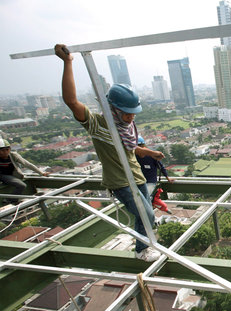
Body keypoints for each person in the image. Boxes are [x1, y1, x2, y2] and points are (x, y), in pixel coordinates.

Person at [55, 44, 165, 262]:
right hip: (120, 181)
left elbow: (132, 150)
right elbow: (71, 102)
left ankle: (145, 245)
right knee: (147, 215)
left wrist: (150, 152)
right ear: (113, 108)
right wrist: (68, 63)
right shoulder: (97, 124)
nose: (131, 118)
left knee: (141, 215)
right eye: (126, 114)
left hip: (137, 177)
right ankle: (142, 251)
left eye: (133, 114)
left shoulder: (128, 128)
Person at [0, 138, 49, 204]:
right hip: (2, 175)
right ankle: (12, 200)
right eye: (2, 150)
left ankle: (11, 200)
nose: (5, 152)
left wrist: (41, 172)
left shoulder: (13, 155)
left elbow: (27, 164)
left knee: (21, 185)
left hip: (10, 175)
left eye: (7, 149)